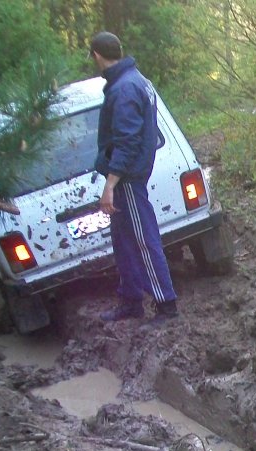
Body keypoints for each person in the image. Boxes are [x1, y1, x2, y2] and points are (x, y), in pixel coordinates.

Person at [89, 31, 178, 324]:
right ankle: (131, 300)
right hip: (129, 176)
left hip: (128, 179)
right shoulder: (136, 79)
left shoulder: (124, 88)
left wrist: (110, 184)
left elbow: (127, 142)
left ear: (97, 56)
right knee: (123, 241)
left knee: (143, 239)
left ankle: (166, 304)